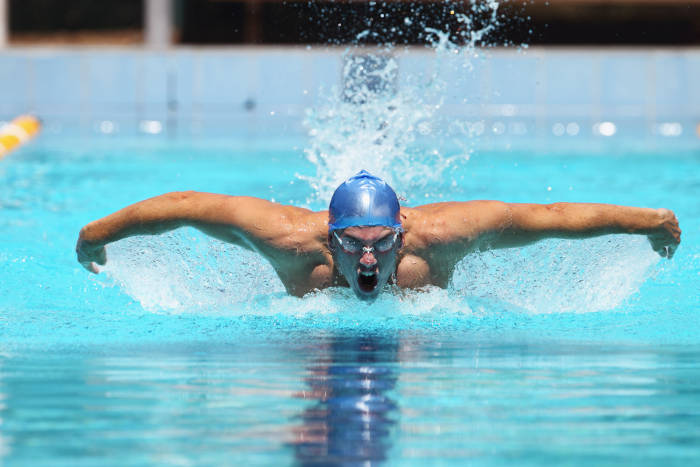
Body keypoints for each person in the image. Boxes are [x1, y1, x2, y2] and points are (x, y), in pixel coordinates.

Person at [76, 170, 681, 300]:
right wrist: (96, 233)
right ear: (328, 233)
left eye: (381, 241)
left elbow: (550, 219)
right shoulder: (289, 240)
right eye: (352, 241)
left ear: (404, 228)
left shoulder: (444, 235)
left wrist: (648, 220)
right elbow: (185, 204)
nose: (367, 255)